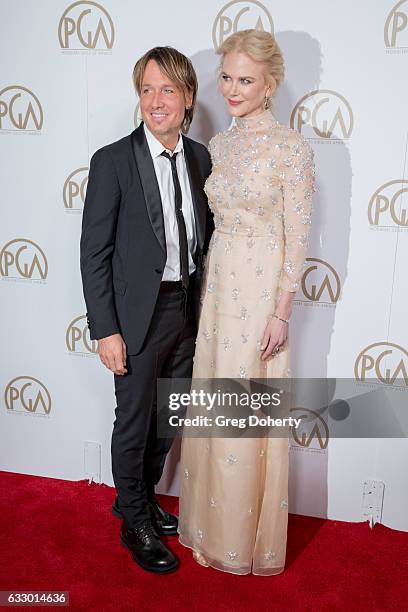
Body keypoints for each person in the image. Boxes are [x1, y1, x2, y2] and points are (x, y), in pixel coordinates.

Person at [178, 29, 316, 575]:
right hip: (218, 289)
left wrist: (282, 312)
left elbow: (297, 237)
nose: (232, 89)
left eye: (246, 80)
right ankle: (206, 527)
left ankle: (240, 539)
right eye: (228, 77)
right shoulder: (221, 145)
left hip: (260, 298)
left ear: (269, 86)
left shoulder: (291, 148)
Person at [80, 46, 213, 574]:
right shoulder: (112, 161)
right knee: (134, 420)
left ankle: (144, 499)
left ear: (187, 100)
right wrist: (105, 328)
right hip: (137, 317)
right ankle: (132, 517)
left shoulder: (202, 158)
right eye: (147, 89)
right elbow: (94, 253)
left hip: (187, 308)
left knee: (169, 414)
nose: (156, 102)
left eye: (168, 90)